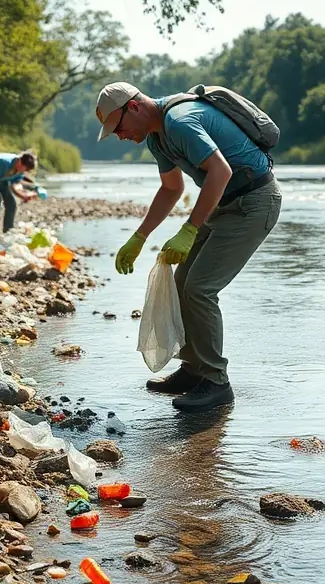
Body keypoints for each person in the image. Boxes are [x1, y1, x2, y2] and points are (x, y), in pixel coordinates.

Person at [96, 81, 282, 413]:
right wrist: (139, 236)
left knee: (200, 288)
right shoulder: (156, 138)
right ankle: (194, 370)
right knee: (182, 283)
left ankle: (216, 383)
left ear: (134, 107)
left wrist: (189, 228)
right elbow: (171, 189)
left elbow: (220, 172)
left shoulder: (180, 120)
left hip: (254, 202)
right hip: (224, 204)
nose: (120, 135)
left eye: (118, 127)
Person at [0, 150, 37, 238]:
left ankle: (8, 231)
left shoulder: (20, 171)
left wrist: (24, 196)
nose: (24, 171)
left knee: (12, 204)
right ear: (19, 161)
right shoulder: (4, 163)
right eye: (25, 168)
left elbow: (13, 186)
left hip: (1, 178)